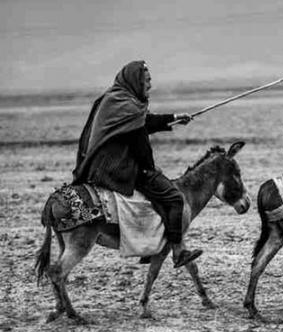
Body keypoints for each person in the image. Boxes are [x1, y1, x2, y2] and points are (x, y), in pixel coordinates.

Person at [72, 60, 202, 268]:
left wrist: (175, 118)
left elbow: (144, 122)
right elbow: (140, 140)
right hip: (115, 168)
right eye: (147, 81)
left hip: (103, 163)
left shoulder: (116, 100)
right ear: (136, 81)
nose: (150, 85)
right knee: (174, 198)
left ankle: (150, 246)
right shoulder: (129, 107)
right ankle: (178, 251)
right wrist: (149, 170)